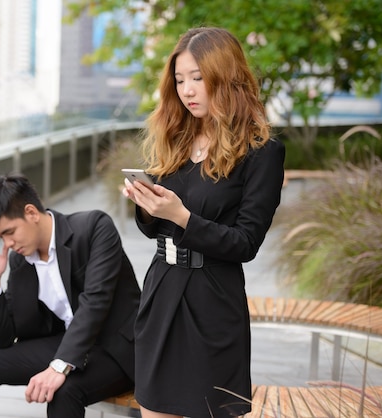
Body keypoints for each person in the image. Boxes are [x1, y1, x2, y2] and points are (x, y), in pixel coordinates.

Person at [122, 27, 285, 417]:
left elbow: (245, 243)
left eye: (197, 78)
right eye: (180, 80)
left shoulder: (261, 153)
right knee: (154, 409)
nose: (187, 90)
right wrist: (148, 207)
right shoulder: (175, 138)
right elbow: (156, 229)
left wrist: (181, 216)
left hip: (213, 300)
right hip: (161, 291)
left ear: (225, 78)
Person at [0, 173, 141, 418]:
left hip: (115, 349)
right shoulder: (21, 260)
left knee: (64, 389)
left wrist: (59, 366)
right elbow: (4, 338)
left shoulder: (93, 228)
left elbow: (95, 302)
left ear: (32, 213)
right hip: (66, 343)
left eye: (9, 232)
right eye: (1, 238)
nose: (9, 243)